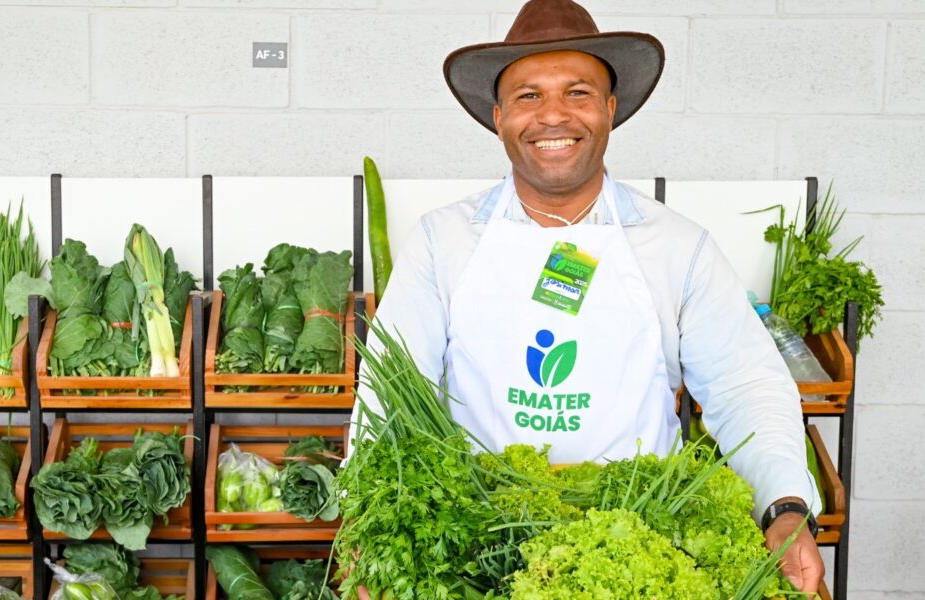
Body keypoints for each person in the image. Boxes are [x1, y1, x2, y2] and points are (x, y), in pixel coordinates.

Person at [351, 0, 825, 594]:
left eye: (577, 92)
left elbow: (745, 385)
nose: (553, 116)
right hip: (480, 547)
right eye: (528, 96)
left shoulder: (678, 246)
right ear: (498, 116)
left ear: (609, 109)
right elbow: (390, 391)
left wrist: (784, 506)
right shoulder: (442, 241)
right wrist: (365, 518)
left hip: (642, 540)